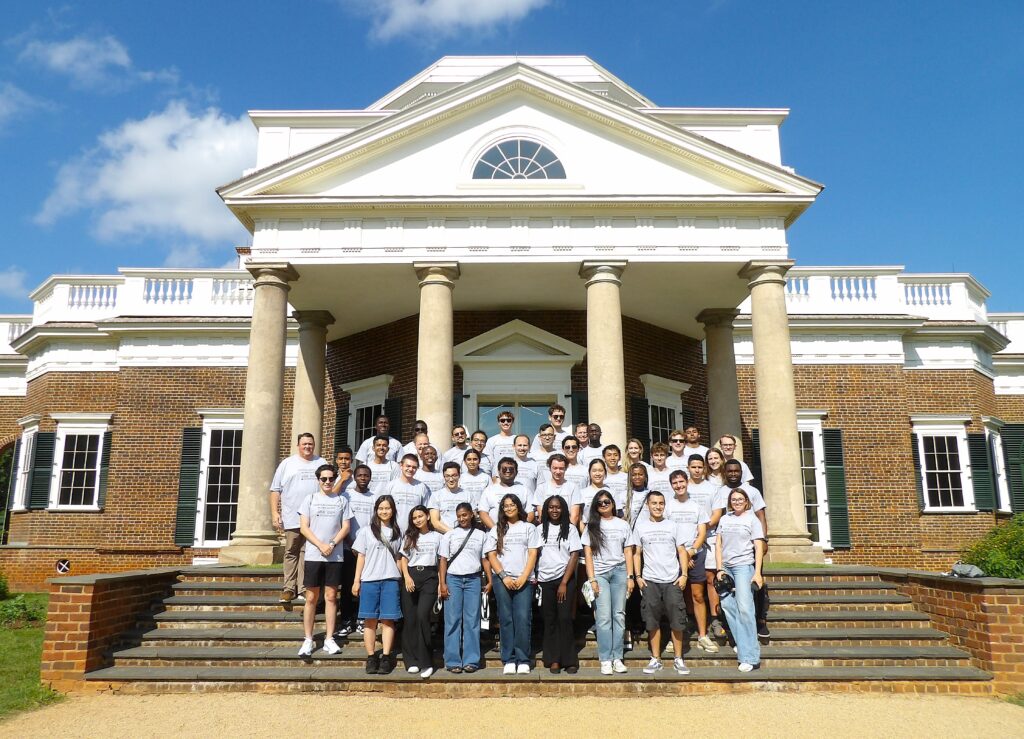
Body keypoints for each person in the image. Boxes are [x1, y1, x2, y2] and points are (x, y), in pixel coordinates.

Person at [631, 491, 690, 675]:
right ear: (647, 505)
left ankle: (678, 659)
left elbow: (681, 551)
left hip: (672, 580)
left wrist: (684, 575)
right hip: (650, 581)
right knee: (652, 620)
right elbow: (637, 553)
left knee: (677, 620)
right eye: (654, 503)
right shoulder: (640, 527)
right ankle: (655, 658)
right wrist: (638, 576)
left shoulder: (673, 525)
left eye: (661, 503)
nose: (658, 506)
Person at [297, 464, 352, 657]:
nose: (328, 482)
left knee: (330, 597)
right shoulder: (309, 499)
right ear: (318, 480)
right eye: (324, 479)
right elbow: (304, 527)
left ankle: (329, 638)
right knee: (311, 597)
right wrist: (321, 545)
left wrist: (332, 543)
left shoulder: (341, 500)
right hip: (314, 555)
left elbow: (345, 527)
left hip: (335, 555)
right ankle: (308, 639)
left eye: (331, 479)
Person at [711, 459, 770, 639]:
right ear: (725, 473)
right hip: (729, 546)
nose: (733, 473)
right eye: (730, 471)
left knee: (755, 584)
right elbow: (718, 515)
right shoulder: (721, 492)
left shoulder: (752, 491)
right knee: (728, 593)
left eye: (736, 471)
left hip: (749, 544)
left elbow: (760, 515)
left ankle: (760, 620)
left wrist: (763, 539)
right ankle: (733, 627)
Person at [485, 494, 541, 675]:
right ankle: (508, 658)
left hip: (524, 579)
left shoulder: (529, 528)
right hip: (503, 580)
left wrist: (524, 577)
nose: (509, 508)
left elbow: (533, 554)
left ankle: (523, 658)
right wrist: (503, 576)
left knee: (523, 618)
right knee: (506, 619)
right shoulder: (496, 530)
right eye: (505, 506)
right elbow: (491, 555)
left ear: (518, 506)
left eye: (512, 504)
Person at [582, 490, 635, 675]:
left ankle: (617, 657)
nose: (604, 504)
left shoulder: (623, 524)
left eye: (607, 501)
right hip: (600, 574)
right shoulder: (591, 526)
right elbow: (588, 554)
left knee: (619, 615)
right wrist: (592, 578)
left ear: (613, 503)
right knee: (603, 617)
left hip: (620, 572)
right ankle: (605, 658)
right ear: (595, 507)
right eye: (600, 503)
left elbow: (628, 551)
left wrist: (630, 576)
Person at [665, 470, 716, 654]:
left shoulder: (697, 506)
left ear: (687, 482)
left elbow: (702, 532)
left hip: (695, 554)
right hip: (675, 556)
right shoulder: (668, 506)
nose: (679, 485)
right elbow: (667, 532)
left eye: (681, 482)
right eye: (675, 483)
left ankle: (702, 635)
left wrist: (691, 551)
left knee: (697, 595)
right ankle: (677, 635)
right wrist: (682, 556)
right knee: (676, 597)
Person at [270, 433, 325, 603]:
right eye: (304, 444)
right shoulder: (287, 464)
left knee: (306, 552)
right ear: (298, 445)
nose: (307, 447)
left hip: (314, 518)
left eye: (310, 444)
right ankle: (288, 588)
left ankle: (302, 588)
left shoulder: (321, 463)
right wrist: (274, 512)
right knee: (291, 551)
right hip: (292, 516)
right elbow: (275, 490)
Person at [352, 495, 403, 674]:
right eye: (381, 508)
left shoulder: (398, 532)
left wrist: (402, 578)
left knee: (388, 619)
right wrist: (356, 580)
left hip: (390, 579)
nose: (384, 511)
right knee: (370, 620)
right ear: (376, 510)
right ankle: (371, 656)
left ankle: (387, 656)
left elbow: (399, 557)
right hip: (370, 579)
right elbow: (361, 556)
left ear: (393, 510)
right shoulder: (366, 531)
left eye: (387, 508)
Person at [715, 487, 765, 672]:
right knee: (728, 607)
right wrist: (719, 568)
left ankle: (750, 657)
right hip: (726, 567)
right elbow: (718, 544)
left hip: (744, 567)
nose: (736, 502)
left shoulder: (752, 519)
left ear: (746, 501)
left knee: (745, 609)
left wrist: (757, 572)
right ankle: (743, 645)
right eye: (733, 499)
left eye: (740, 499)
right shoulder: (724, 519)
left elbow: (758, 547)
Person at [438, 502, 492, 673]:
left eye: (465, 515)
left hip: (473, 580)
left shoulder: (481, 535)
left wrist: (489, 580)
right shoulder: (450, 535)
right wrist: (443, 583)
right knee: (452, 620)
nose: (462, 518)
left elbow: (485, 559)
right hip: (453, 579)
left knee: (472, 621)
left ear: (471, 515)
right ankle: (453, 660)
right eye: (459, 515)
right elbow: (443, 560)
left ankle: (471, 660)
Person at [536, 495, 582, 673]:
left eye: (558, 507)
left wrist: (564, 582)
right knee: (550, 620)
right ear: (546, 510)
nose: (554, 510)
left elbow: (574, 555)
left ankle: (569, 659)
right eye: (551, 507)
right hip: (545, 581)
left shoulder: (570, 529)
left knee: (564, 619)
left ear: (563, 509)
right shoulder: (539, 530)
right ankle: (553, 659)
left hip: (565, 580)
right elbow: (534, 554)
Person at [399, 505, 442, 677]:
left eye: (420, 516)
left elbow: (441, 561)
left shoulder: (437, 537)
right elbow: (403, 559)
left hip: (430, 577)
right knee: (410, 619)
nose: (418, 520)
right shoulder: (410, 536)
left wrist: (441, 582)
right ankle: (411, 660)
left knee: (423, 616)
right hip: (411, 575)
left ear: (428, 517)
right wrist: (407, 577)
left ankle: (426, 661)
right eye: (414, 517)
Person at [338, 464, 376, 637]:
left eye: (366, 475)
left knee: (365, 586)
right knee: (347, 586)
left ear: (370, 477)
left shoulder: (375, 498)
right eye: (360, 475)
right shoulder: (347, 496)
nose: (363, 477)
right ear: (354, 476)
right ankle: (346, 621)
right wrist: (352, 544)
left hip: (368, 551)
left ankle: (362, 619)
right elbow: (342, 522)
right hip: (348, 548)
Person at [478, 457, 531, 529]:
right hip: (495, 534)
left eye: (511, 469)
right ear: (499, 471)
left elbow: (531, 513)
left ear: (516, 472)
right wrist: (496, 531)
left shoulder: (524, 490)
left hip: (519, 534)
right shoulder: (489, 490)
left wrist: (521, 528)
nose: (508, 471)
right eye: (504, 469)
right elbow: (483, 513)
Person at [531, 453, 581, 525]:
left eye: (561, 468)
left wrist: (567, 531)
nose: (558, 472)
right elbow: (542, 515)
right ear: (550, 468)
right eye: (555, 468)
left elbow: (574, 516)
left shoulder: (573, 487)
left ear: (566, 468)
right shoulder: (541, 488)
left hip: (567, 529)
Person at [385, 454, 429, 533]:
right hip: (393, 531)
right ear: (401, 465)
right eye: (408, 466)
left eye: (414, 467)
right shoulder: (391, 485)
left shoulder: (422, 487)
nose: (411, 469)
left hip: (414, 532)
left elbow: (425, 511)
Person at [429, 462, 474, 533]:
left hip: (464, 535)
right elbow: (435, 522)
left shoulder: (468, 495)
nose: (451, 479)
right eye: (447, 476)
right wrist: (453, 533)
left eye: (454, 475)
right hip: (443, 536)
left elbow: (472, 516)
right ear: (443, 477)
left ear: (459, 475)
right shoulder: (436, 495)